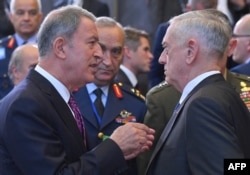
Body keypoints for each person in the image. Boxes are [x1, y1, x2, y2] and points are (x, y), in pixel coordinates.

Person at [0, 5, 155, 175]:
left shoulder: (55, 96)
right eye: (92, 43)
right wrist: (115, 147)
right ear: (60, 47)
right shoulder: (26, 104)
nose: (99, 54)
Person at [145, 9, 250, 175]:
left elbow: (228, 169)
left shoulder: (204, 104)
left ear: (190, 52)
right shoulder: (219, 93)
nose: (161, 58)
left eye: (166, 48)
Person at [73, 16, 147, 175]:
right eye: (101, 49)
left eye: (116, 52)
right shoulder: (67, 97)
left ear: (124, 53)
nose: (108, 61)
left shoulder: (136, 104)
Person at [148, 0, 218, 88]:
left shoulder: (221, 32)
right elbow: (156, 72)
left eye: (210, 9)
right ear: (188, 9)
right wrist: (160, 97)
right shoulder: (168, 29)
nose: (162, 59)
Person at [0, 0, 43, 99]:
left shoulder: (50, 49)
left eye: (32, 13)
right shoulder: (2, 49)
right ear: (11, 16)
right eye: (20, 13)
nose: (26, 18)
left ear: (40, 16)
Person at [114, 26, 153, 96]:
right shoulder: (118, 85)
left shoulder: (136, 85)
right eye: (145, 50)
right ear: (128, 52)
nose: (151, 56)